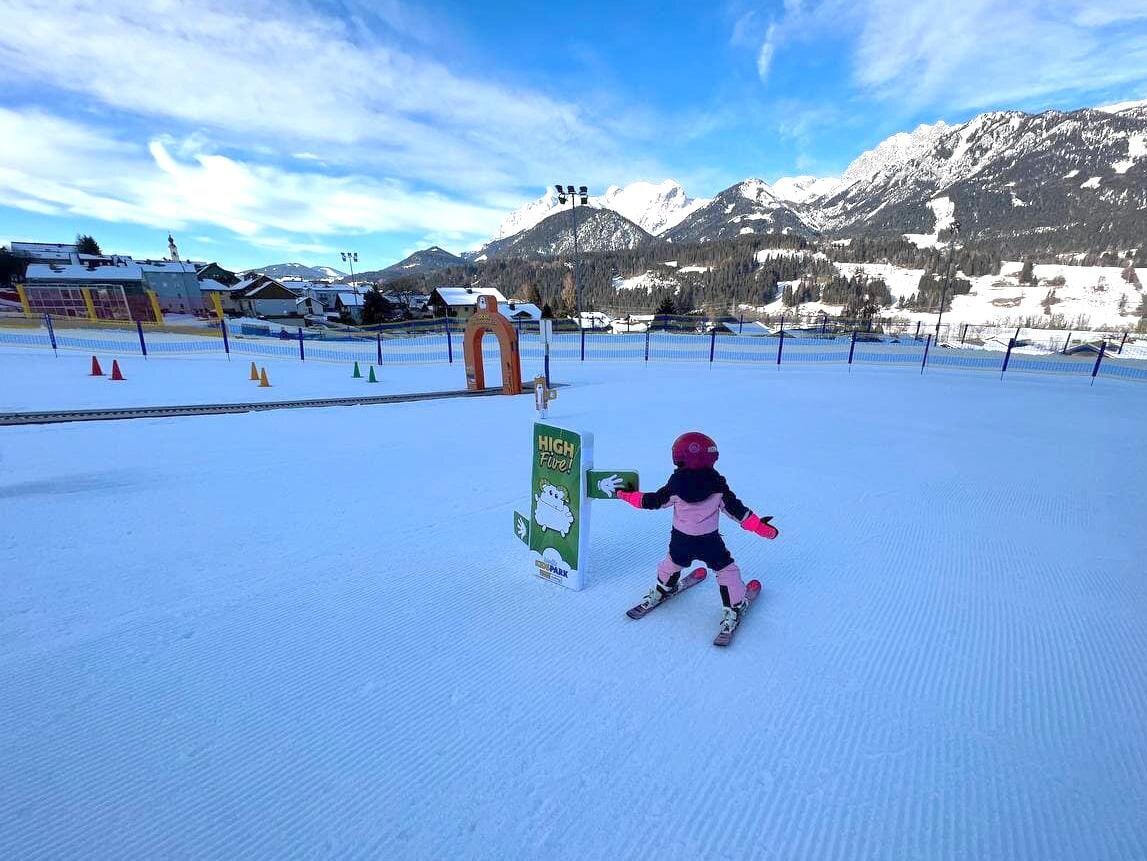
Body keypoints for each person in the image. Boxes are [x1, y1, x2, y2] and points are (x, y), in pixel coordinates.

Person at [617, 431, 779, 632]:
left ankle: (663, 588)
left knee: (671, 563)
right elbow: (738, 512)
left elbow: (652, 501)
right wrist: (762, 528)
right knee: (726, 571)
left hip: (681, 541)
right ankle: (734, 606)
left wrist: (626, 495)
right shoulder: (717, 486)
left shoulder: (676, 485)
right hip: (709, 543)